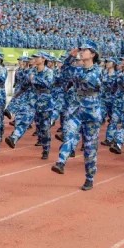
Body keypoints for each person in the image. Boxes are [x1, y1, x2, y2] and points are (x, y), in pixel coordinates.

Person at [51, 40, 103, 190]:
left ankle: (89, 177)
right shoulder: (77, 70)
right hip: (76, 109)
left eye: (85, 50)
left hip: (92, 112)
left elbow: (91, 81)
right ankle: (61, 162)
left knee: (90, 147)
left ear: (92, 54)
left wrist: (77, 71)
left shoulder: (98, 71)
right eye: (81, 49)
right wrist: (70, 57)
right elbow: (64, 73)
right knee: (69, 134)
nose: (81, 51)